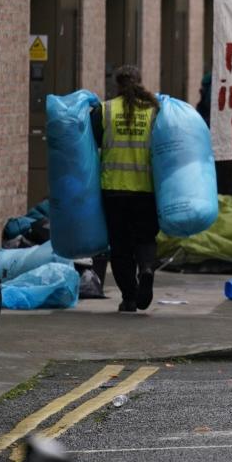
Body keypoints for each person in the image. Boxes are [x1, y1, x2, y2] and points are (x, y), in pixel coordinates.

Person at [92, 65, 161, 313]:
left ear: (117, 85)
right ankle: (146, 268)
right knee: (145, 237)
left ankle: (130, 297)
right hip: (145, 189)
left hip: (114, 189)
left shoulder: (105, 110)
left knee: (120, 247)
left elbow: (93, 143)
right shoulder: (154, 110)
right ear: (140, 82)